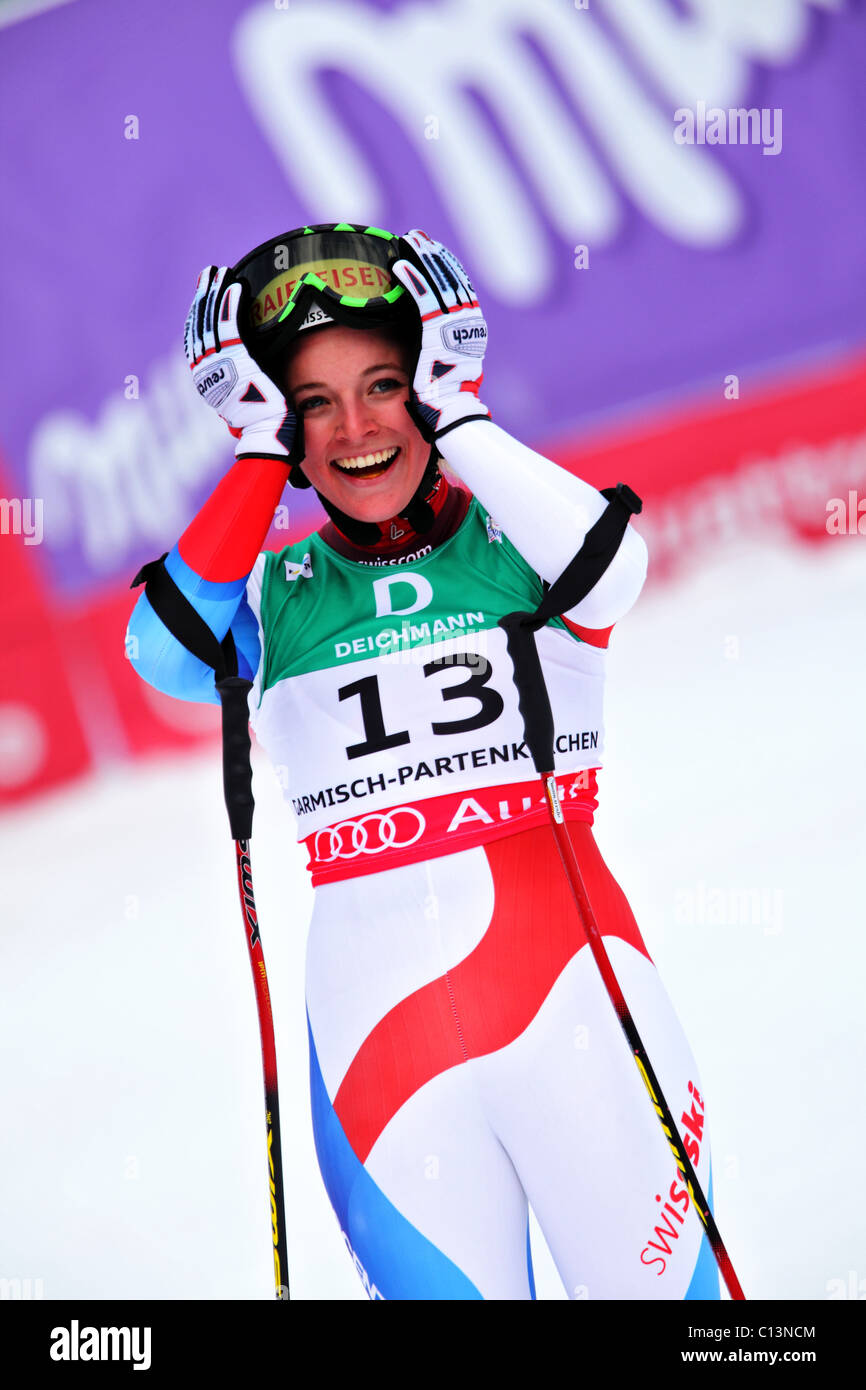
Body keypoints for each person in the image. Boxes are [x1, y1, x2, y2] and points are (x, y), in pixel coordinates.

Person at [127, 223, 720, 1300]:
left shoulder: (520, 547)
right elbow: (161, 652)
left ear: (433, 386)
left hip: (580, 1014)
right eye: (312, 403)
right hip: (380, 1058)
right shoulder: (276, 595)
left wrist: (462, 411)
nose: (354, 428)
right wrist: (256, 453)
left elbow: (614, 569)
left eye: (386, 383)